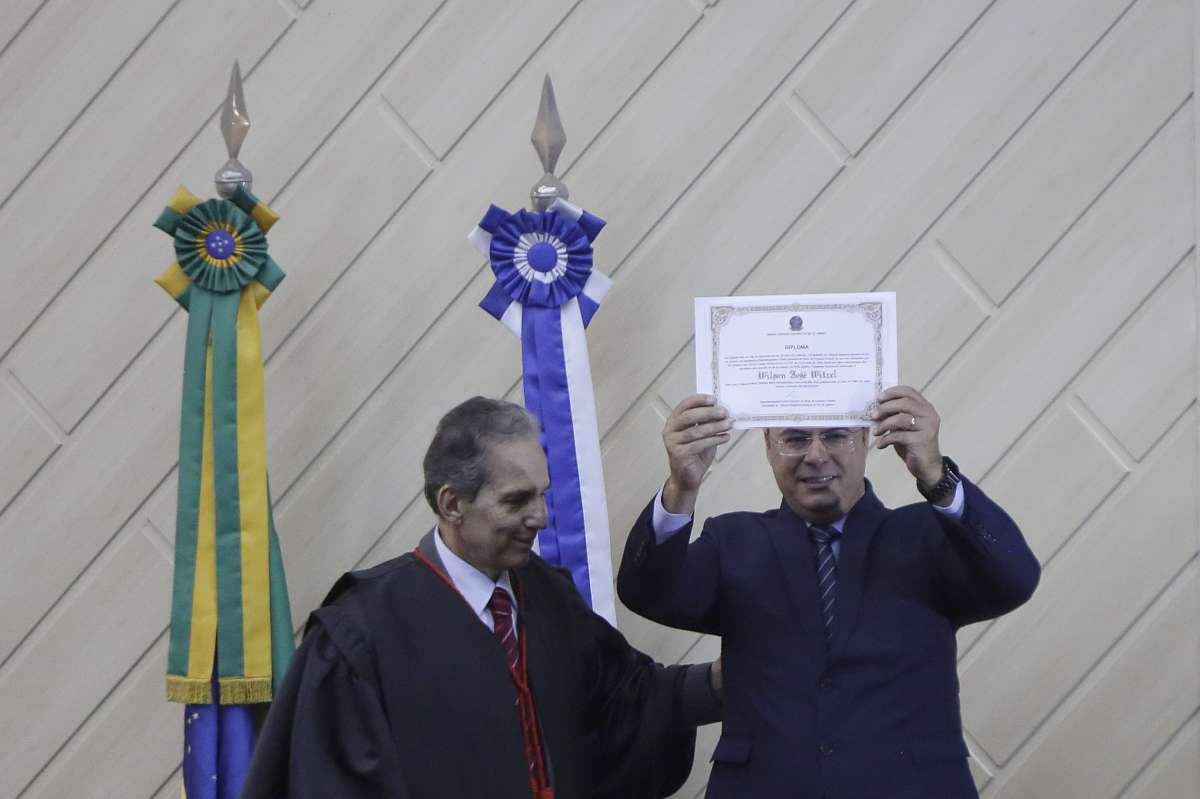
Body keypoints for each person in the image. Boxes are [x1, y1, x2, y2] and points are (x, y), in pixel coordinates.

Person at [241, 396, 721, 799]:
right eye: (516, 500)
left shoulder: (547, 595)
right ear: (452, 504)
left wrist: (725, 680)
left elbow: (629, 703)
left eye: (542, 495)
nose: (540, 517)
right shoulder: (360, 634)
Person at [617, 386, 1040, 799]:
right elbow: (646, 592)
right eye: (795, 439)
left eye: (836, 435)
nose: (815, 455)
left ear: (865, 439)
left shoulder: (927, 535)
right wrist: (681, 488)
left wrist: (936, 477)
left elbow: (1014, 579)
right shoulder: (733, 541)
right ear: (768, 444)